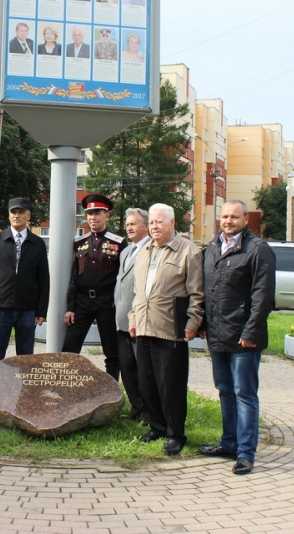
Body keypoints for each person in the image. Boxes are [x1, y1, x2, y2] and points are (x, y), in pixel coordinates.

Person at [199, 200, 276, 475]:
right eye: (224, 216)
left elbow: (263, 296)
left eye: (234, 216)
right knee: (225, 391)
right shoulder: (211, 249)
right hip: (218, 334)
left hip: (244, 337)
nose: (228, 221)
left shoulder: (258, 250)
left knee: (244, 393)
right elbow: (206, 291)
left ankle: (245, 453)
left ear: (246, 219)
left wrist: (251, 331)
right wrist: (202, 324)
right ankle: (228, 443)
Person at [129, 204, 204, 456]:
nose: (154, 226)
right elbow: (138, 291)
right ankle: (157, 427)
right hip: (143, 327)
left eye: (159, 222)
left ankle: (175, 434)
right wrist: (133, 317)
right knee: (147, 381)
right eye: (151, 222)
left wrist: (193, 323)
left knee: (170, 384)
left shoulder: (188, 251)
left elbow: (197, 293)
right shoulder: (145, 250)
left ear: (172, 223)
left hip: (171, 328)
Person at [0, 198, 49, 410]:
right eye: (13, 212)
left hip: (28, 310)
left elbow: (44, 280)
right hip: (0, 308)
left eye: (21, 212)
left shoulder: (37, 244)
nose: (16, 215)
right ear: (9, 215)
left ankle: (25, 397)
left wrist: (41, 310)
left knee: (26, 357)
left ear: (28, 216)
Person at [63, 193, 123, 379]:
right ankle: (66, 387)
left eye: (97, 213)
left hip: (107, 303)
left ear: (107, 215)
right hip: (82, 303)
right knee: (69, 348)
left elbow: (121, 277)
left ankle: (112, 391)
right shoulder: (79, 243)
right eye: (89, 214)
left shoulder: (118, 243)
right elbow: (74, 277)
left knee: (112, 351)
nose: (92, 217)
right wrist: (70, 308)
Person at [114, 208, 150, 423]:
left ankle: (147, 410)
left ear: (145, 226)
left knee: (142, 369)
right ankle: (136, 407)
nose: (129, 227)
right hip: (121, 319)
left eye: (134, 224)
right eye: (127, 224)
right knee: (127, 367)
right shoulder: (126, 252)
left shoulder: (151, 250)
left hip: (139, 320)